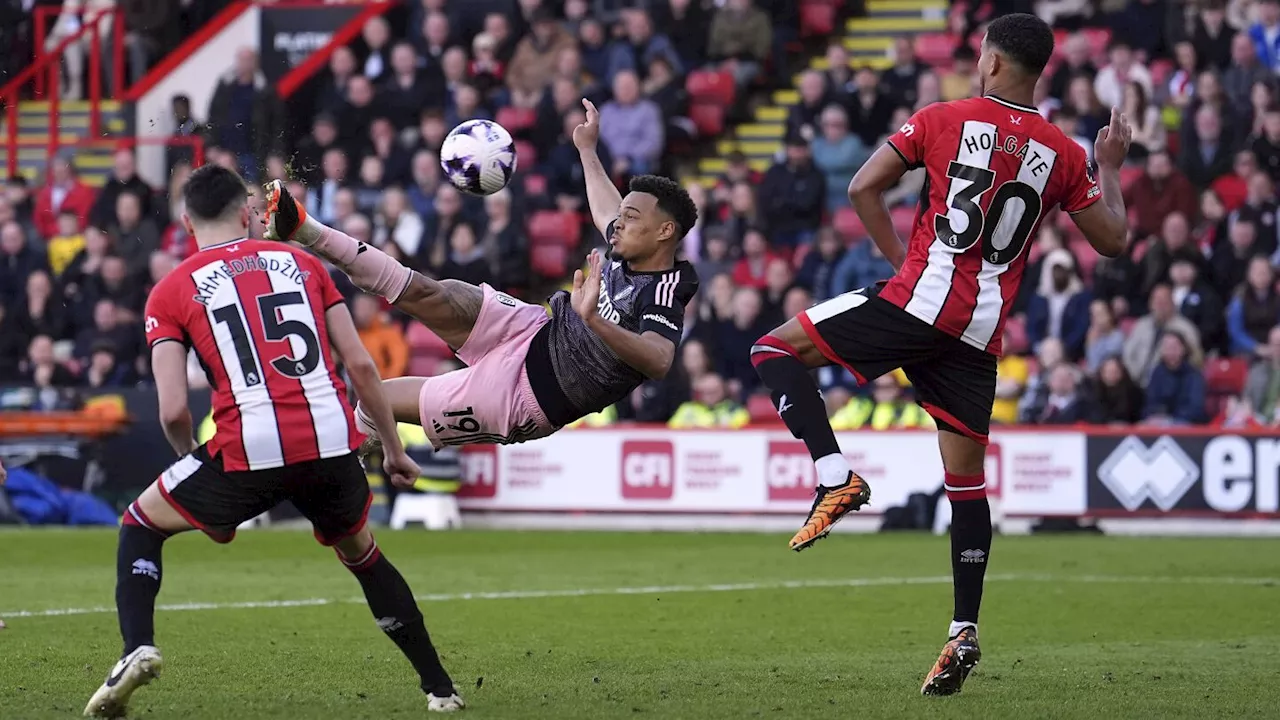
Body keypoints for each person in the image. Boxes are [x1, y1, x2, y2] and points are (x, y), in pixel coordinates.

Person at [749, 14, 1130, 697]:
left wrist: (902, 266)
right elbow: (1114, 240)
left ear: (988, 61)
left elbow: (863, 188)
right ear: (1038, 71)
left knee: (771, 347)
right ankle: (962, 629)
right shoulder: (1064, 153)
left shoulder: (941, 116)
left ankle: (835, 475)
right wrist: (1110, 166)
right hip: (978, 336)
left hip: (918, 301)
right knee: (966, 485)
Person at [83, 165, 463, 718]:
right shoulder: (306, 264)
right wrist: (395, 449)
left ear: (187, 221)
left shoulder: (170, 290)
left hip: (248, 447)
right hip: (332, 441)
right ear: (247, 212)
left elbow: (171, 411)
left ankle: (136, 647)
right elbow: (360, 364)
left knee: (140, 525)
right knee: (363, 556)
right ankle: (439, 688)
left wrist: (193, 464)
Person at [261, 98, 699, 450]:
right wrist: (587, 150)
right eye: (621, 215)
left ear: (665, 232)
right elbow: (606, 206)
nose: (617, 223)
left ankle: (349, 449)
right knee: (435, 292)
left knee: (378, 398)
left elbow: (659, 360)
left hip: (525, 396)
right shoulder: (625, 244)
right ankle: (304, 227)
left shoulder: (666, 288)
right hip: (533, 329)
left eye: (631, 217)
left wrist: (594, 321)